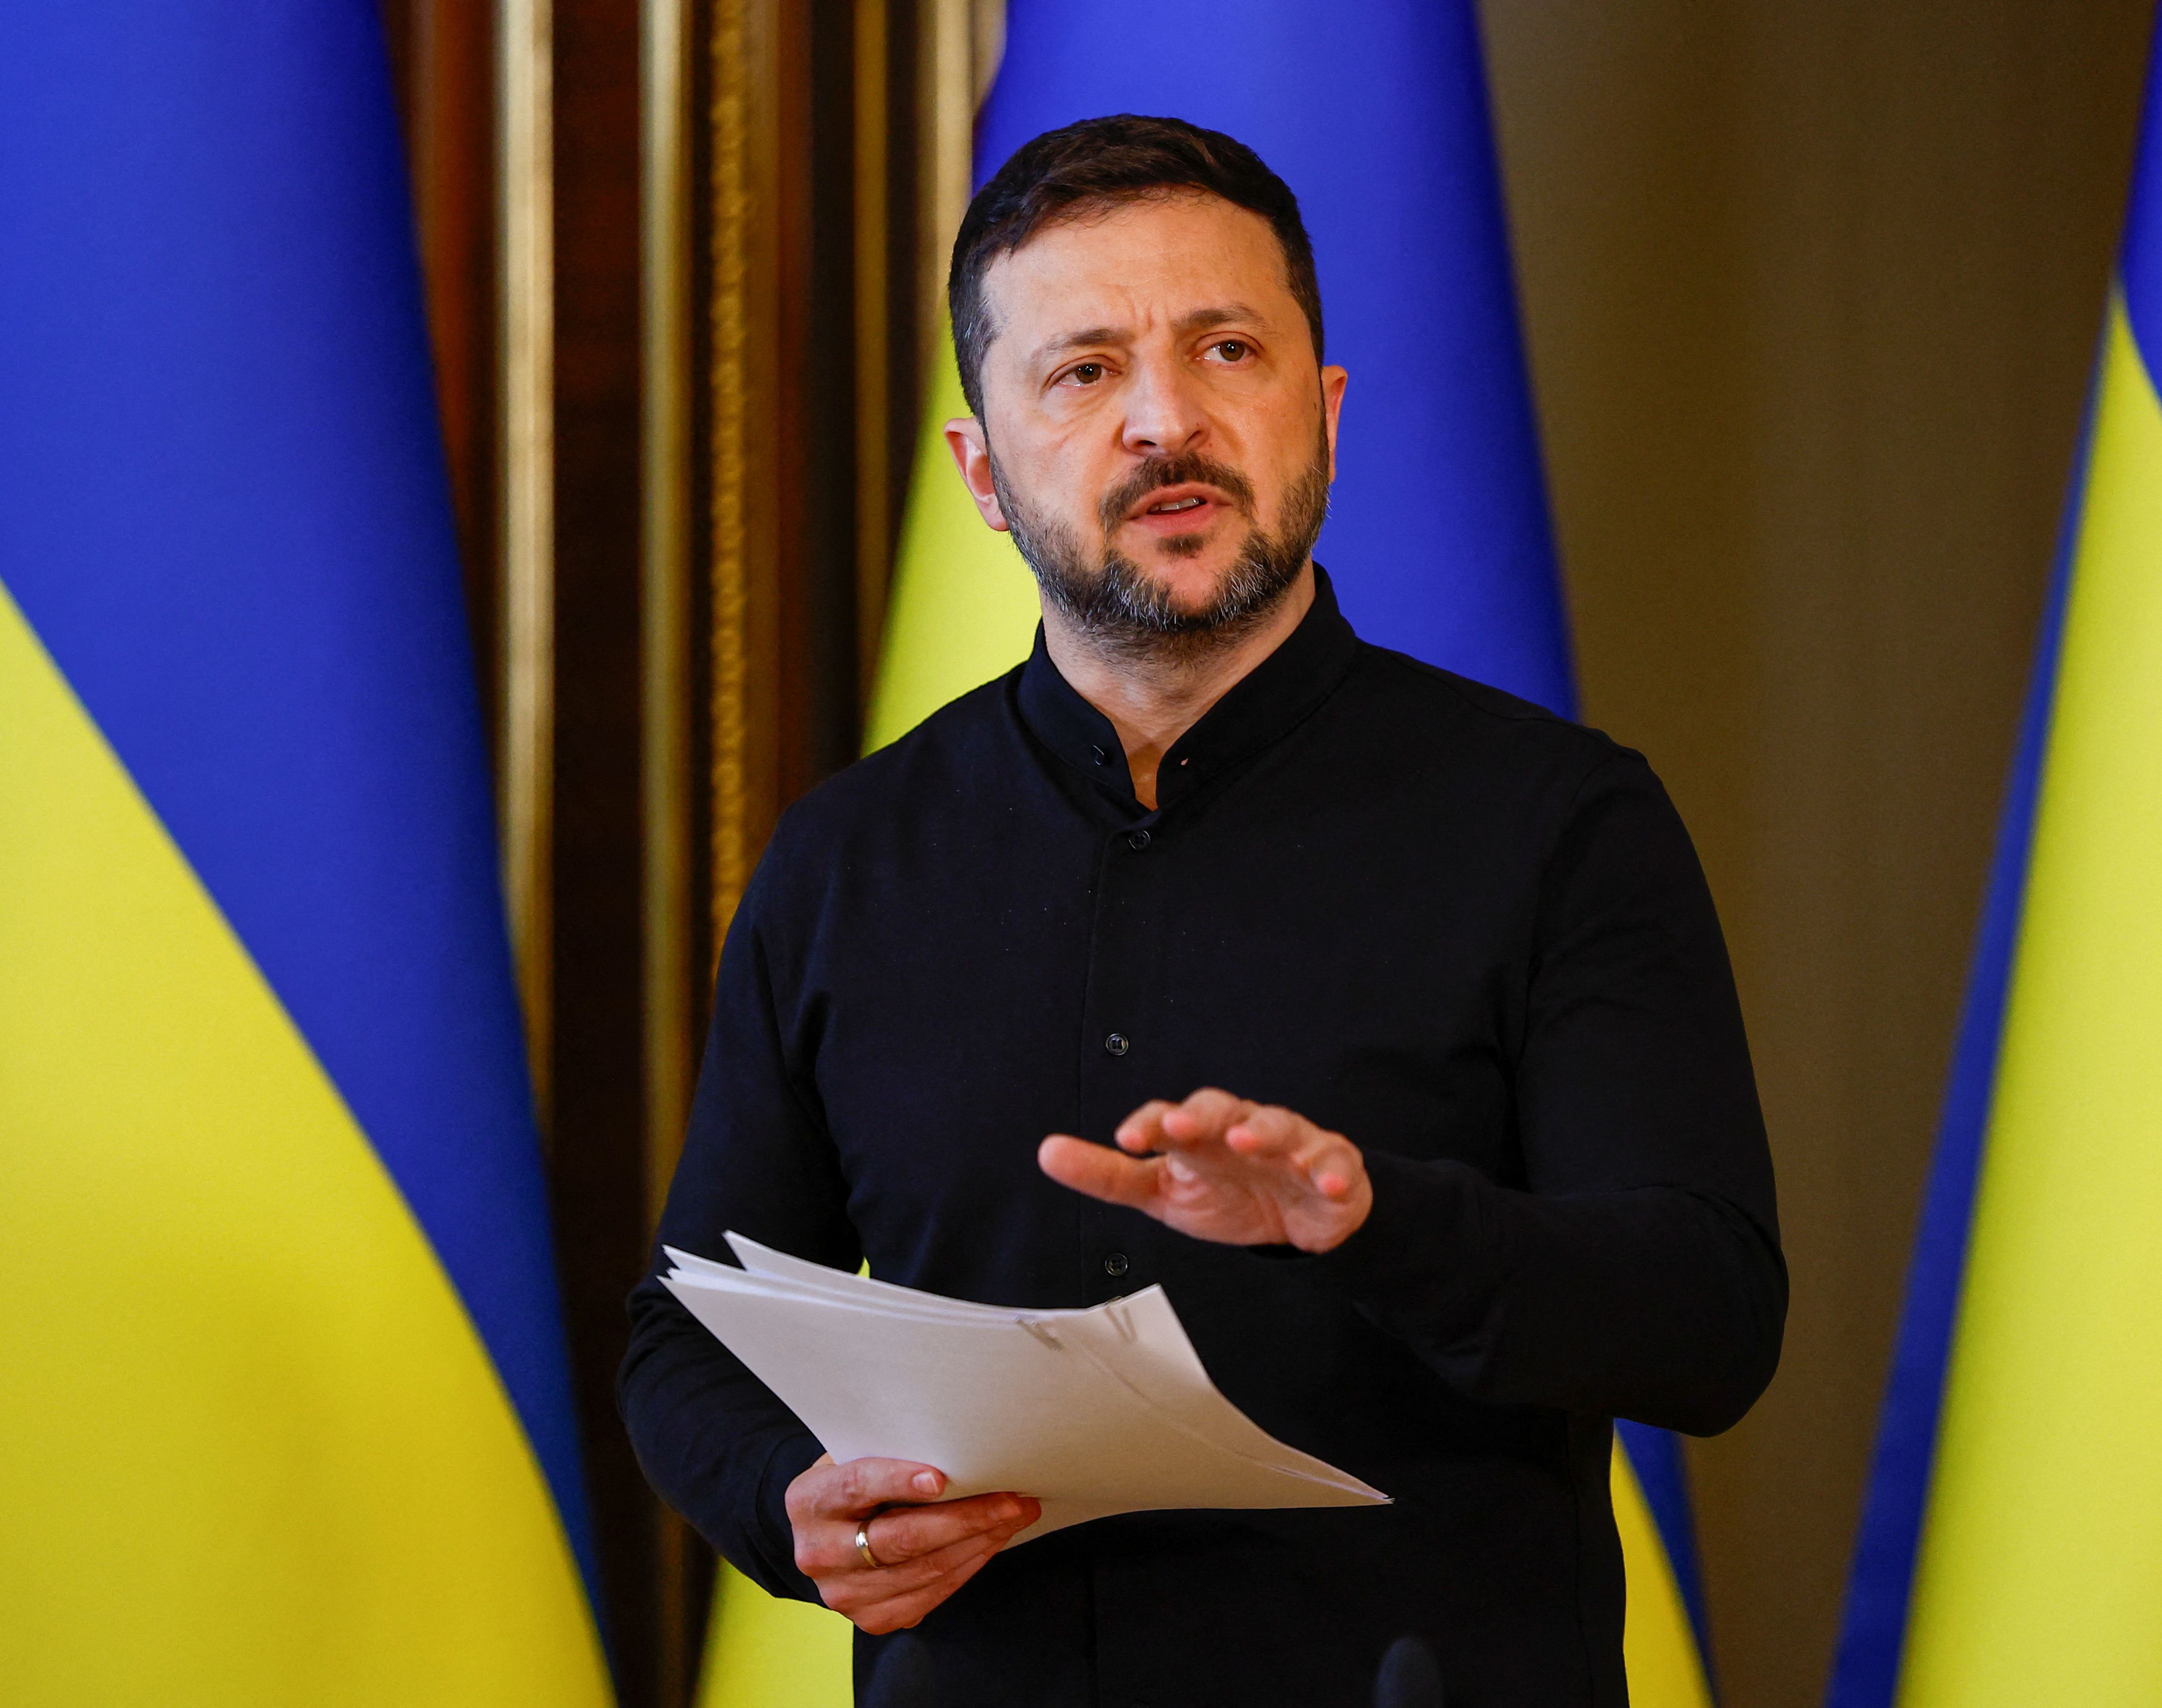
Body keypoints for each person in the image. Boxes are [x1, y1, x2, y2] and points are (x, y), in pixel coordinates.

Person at [619, 114, 1783, 1706]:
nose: (1167, 421)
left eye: (1227, 350)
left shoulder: (1562, 823)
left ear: (1325, 412)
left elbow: (1712, 1323)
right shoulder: (845, 861)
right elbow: (688, 1333)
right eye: (1083, 371)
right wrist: (788, 1502)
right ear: (983, 473)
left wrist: (1379, 1222)